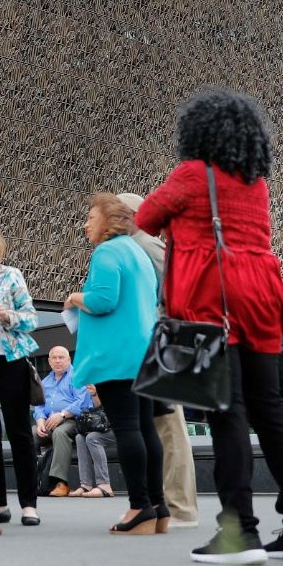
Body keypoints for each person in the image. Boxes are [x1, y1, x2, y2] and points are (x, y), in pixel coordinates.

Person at [138, 88, 283, 564]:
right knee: (270, 408)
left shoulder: (191, 174)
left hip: (214, 297)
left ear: (197, 132)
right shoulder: (256, 181)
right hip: (263, 293)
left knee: (227, 411)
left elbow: (145, 217)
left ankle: (238, 532)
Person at [64, 192, 162, 536]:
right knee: (146, 428)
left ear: (107, 222)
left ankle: (139, 507)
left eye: (91, 217)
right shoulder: (137, 252)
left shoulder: (106, 252)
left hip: (116, 356)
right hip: (144, 352)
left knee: (127, 428)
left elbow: (104, 300)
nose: (86, 224)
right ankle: (158, 506)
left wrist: (76, 297)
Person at [118, 191, 200, 530]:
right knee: (160, 424)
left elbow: (175, 291)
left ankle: (180, 509)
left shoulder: (143, 244)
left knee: (168, 426)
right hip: (157, 340)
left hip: (160, 340)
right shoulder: (137, 244)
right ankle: (169, 505)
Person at [0, 216, 42, 527]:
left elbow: (32, 319)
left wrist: (8, 316)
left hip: (11, 359)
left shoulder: (11, 275)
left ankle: (29, 505)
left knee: (19, 432)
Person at [31, 346, 90, 498]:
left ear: (69, 359)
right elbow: (39, 405)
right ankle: (32, 479)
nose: (58, 361)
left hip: (73, 420)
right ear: (49, 361)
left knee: (60, 432)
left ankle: (59, 483)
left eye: (61, 357)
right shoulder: (46, 381)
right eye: (54, 358)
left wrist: (62, 415)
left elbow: (81, 403)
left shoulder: (77, 376)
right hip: (49, 422)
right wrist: (40, 421)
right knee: (29, 434)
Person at [75, 385, 114, 498]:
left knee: (92, 438)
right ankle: (86, 484)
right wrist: (94, 394)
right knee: (80, 438)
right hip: (107, 425)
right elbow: (99, 408)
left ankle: (104, 484)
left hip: (123, 427)